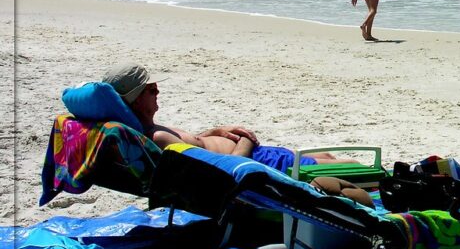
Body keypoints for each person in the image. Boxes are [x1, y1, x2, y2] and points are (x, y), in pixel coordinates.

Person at [102, 63, 356, 173]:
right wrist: (246, 139)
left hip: (258, 157)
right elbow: (227, 171)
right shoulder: (156, 137)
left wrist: (216, 132)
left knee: (328, 158)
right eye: (151, 89)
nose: (158, 92)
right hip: (256, 165)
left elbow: (195, 148)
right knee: (351, 165)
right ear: (136, 100)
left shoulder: (150, 131)